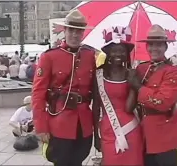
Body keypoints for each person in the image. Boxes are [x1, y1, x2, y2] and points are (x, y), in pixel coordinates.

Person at [32, 9, 96, 166]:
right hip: (59, 122)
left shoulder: (89, 55)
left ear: (83, 33)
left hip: (84, 123)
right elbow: (38, 93)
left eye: (79, 31)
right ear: (64, 30)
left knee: (79, 159)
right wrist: (41, 126)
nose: (75, 35)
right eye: (71, 30)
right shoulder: (49, 57)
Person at [127, 24, 177, 166]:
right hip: (144, 135)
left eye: (159, 44)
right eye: (151, 44)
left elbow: (163, 102)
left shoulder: (173, 72)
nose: (154, 48)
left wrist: (138, 86)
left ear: (166, 47)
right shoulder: (141, 68)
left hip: (166, 137)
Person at [92, 26, 143, 165]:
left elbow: (129, 108)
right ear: (108, 53)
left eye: (122, 51)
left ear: (127, 54)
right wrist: (95, 135)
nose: (118, 54)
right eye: (114, 50)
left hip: (131, 128)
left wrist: (133, 85)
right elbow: (96, 106)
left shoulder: (131, 74)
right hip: (108, 129)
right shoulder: (98, 74)